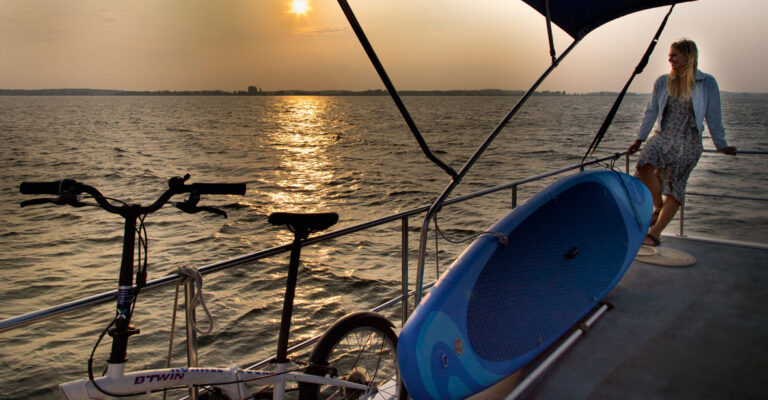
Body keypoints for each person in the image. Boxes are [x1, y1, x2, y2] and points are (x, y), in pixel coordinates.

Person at [627, 39, 736, 246]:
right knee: (644, 166)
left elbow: (713, 116)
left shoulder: (706, 82)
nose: (670, 58)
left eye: (674, 55)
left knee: (677, 186)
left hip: (689, 140)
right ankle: (657, 206)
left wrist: (721, 144)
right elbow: (651, 111)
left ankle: (655, 233)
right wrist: (639, 138)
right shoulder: (662, 82)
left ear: (688, 56)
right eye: (669, 55)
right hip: (663, 136)